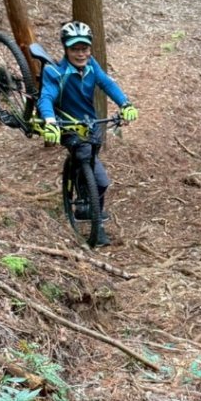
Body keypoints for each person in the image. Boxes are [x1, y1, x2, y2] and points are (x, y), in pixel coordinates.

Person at [37, 21, 138, 246]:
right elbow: (46, 97)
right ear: (66, 49)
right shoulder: (56, 72)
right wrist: (51, 122)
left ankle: (85, 199)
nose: (81, 54)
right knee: (100, 181)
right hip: (67, 126)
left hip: (91, 126)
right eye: (75, 49)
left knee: (90, 158)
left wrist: (125, 104)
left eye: (84, 48)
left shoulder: (92, 66)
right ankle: (96, 226)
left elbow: (108, 85)